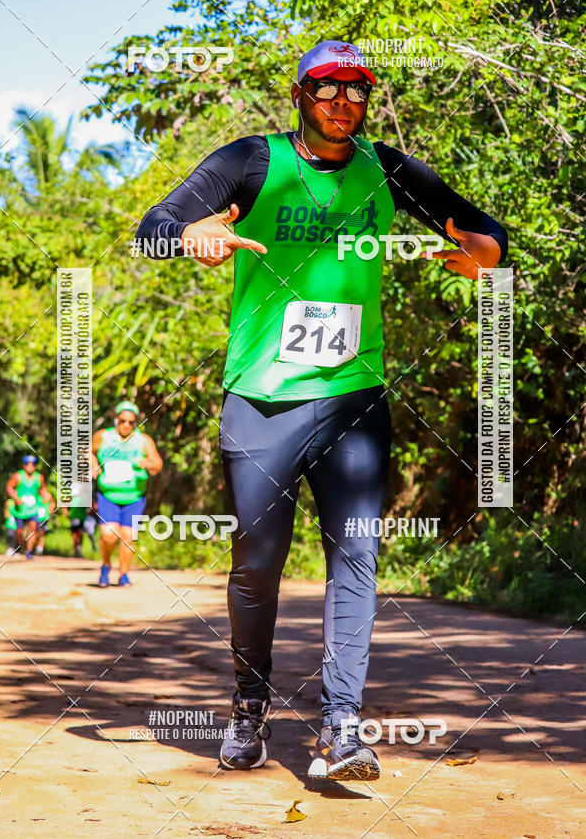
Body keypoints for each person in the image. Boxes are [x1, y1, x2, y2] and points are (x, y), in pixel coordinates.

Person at [136, 39, 508, 779]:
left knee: (357, 555)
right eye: (328, 88)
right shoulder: (251, 160)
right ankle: (249, 705)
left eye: (357, 90)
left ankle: (342, 726)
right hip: (262, 400)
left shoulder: (386, 168)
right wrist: (190, 236)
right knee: (258, 565)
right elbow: (151, 230)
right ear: (300, 94)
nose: (344, 103)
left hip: (353, 399)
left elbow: (485, 230)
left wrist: (484, 255)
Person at [91, 401, 163, 587]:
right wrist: (92, 464)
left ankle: (123, 575)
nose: (126, 425)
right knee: (108, 534)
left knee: (127, 535)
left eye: (131, 422)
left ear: (135, 423)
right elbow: (89, 452)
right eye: (122, 420)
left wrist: (147, 463)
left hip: (134, 498)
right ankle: (106, 565)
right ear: (116, 419)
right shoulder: (103, 436)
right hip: (108, 496)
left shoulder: (143, 441)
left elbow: (157, 464)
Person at [6, 455, 53, 560]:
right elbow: (9, 487)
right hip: (20, 510)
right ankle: (19, 546)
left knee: (33, 529)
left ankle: (29, 551)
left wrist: (46, 496)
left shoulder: (39, 477)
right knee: (19, 531)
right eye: (28, 464)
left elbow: (42, 489)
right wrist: (15, 498)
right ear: (24, 465)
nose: (30, 466)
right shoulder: (17, 476)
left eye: (33, 464)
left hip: (33, 509)